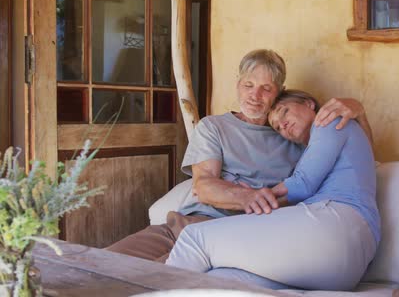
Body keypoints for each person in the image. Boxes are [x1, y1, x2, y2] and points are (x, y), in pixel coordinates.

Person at [106, 50, 372, 267]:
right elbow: (203, 186)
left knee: (155, 278)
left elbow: (360, 158)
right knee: (101, 264)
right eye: (248, 85)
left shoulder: (292, 133)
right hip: (184, 226)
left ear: (279, 92)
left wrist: (358, 110)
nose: (254, 96)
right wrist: (246, 197)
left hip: (239, 239)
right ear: (237, 84)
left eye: (266, 88)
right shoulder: (214, 127)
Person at [166, 90, 379, 291]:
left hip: (337, 225)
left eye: (285, 111)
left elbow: (303, 183)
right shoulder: (321, 145)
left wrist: (257, 195)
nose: (283, 125)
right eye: (277, 127)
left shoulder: (329, 120)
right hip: (346, 266)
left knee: (194, 239)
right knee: (219, 279)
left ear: (309, 103)